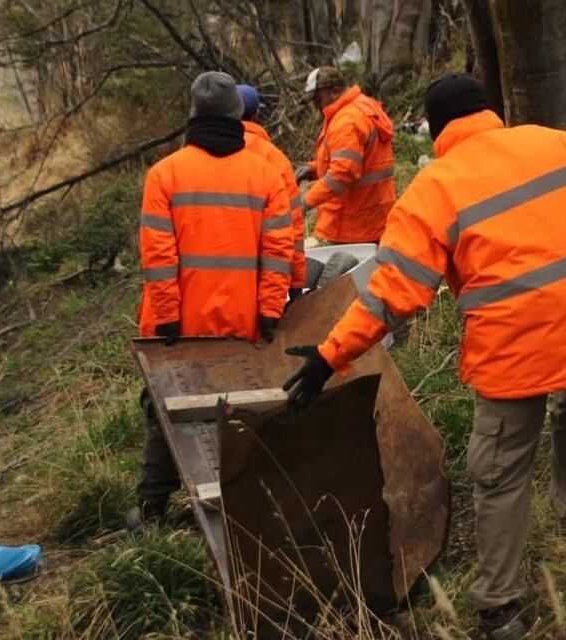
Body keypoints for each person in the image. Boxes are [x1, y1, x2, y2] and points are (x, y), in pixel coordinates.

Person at [282, 73, 566, 639]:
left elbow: (393, 294)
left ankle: (500, 606)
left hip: (515, 351)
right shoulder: (562, 144)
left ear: (435, 128)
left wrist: (330, 355)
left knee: (501, 473)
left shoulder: (436, 188)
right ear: (490, 112)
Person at [128, 71, 293, 529]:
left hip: (180, 325)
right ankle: (250, 504)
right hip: (243, 322)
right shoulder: (265, 174)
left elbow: (159, 259)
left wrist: (165, 323)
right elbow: (278, 255)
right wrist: (268, 314)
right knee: (240, 410)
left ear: (193, 114)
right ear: (239, 115)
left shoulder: (165, 175)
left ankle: (151, 509)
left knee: (165, 409)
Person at [295, 66, 395, 245]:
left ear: (334, 91)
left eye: (318, 99)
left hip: (356, 223)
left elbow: (343, 173)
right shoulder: (363, 105)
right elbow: (356, 161)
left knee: (353, 273)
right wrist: (314, 169)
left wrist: (305, 202)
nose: (316, 106)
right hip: (373, 213)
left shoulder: (345, 121)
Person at [237, 84, 306, 302]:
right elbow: (291, 226)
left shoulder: (200, 154)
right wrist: (296, 284)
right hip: (262, 284)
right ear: (257, 114)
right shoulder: (274, 158)